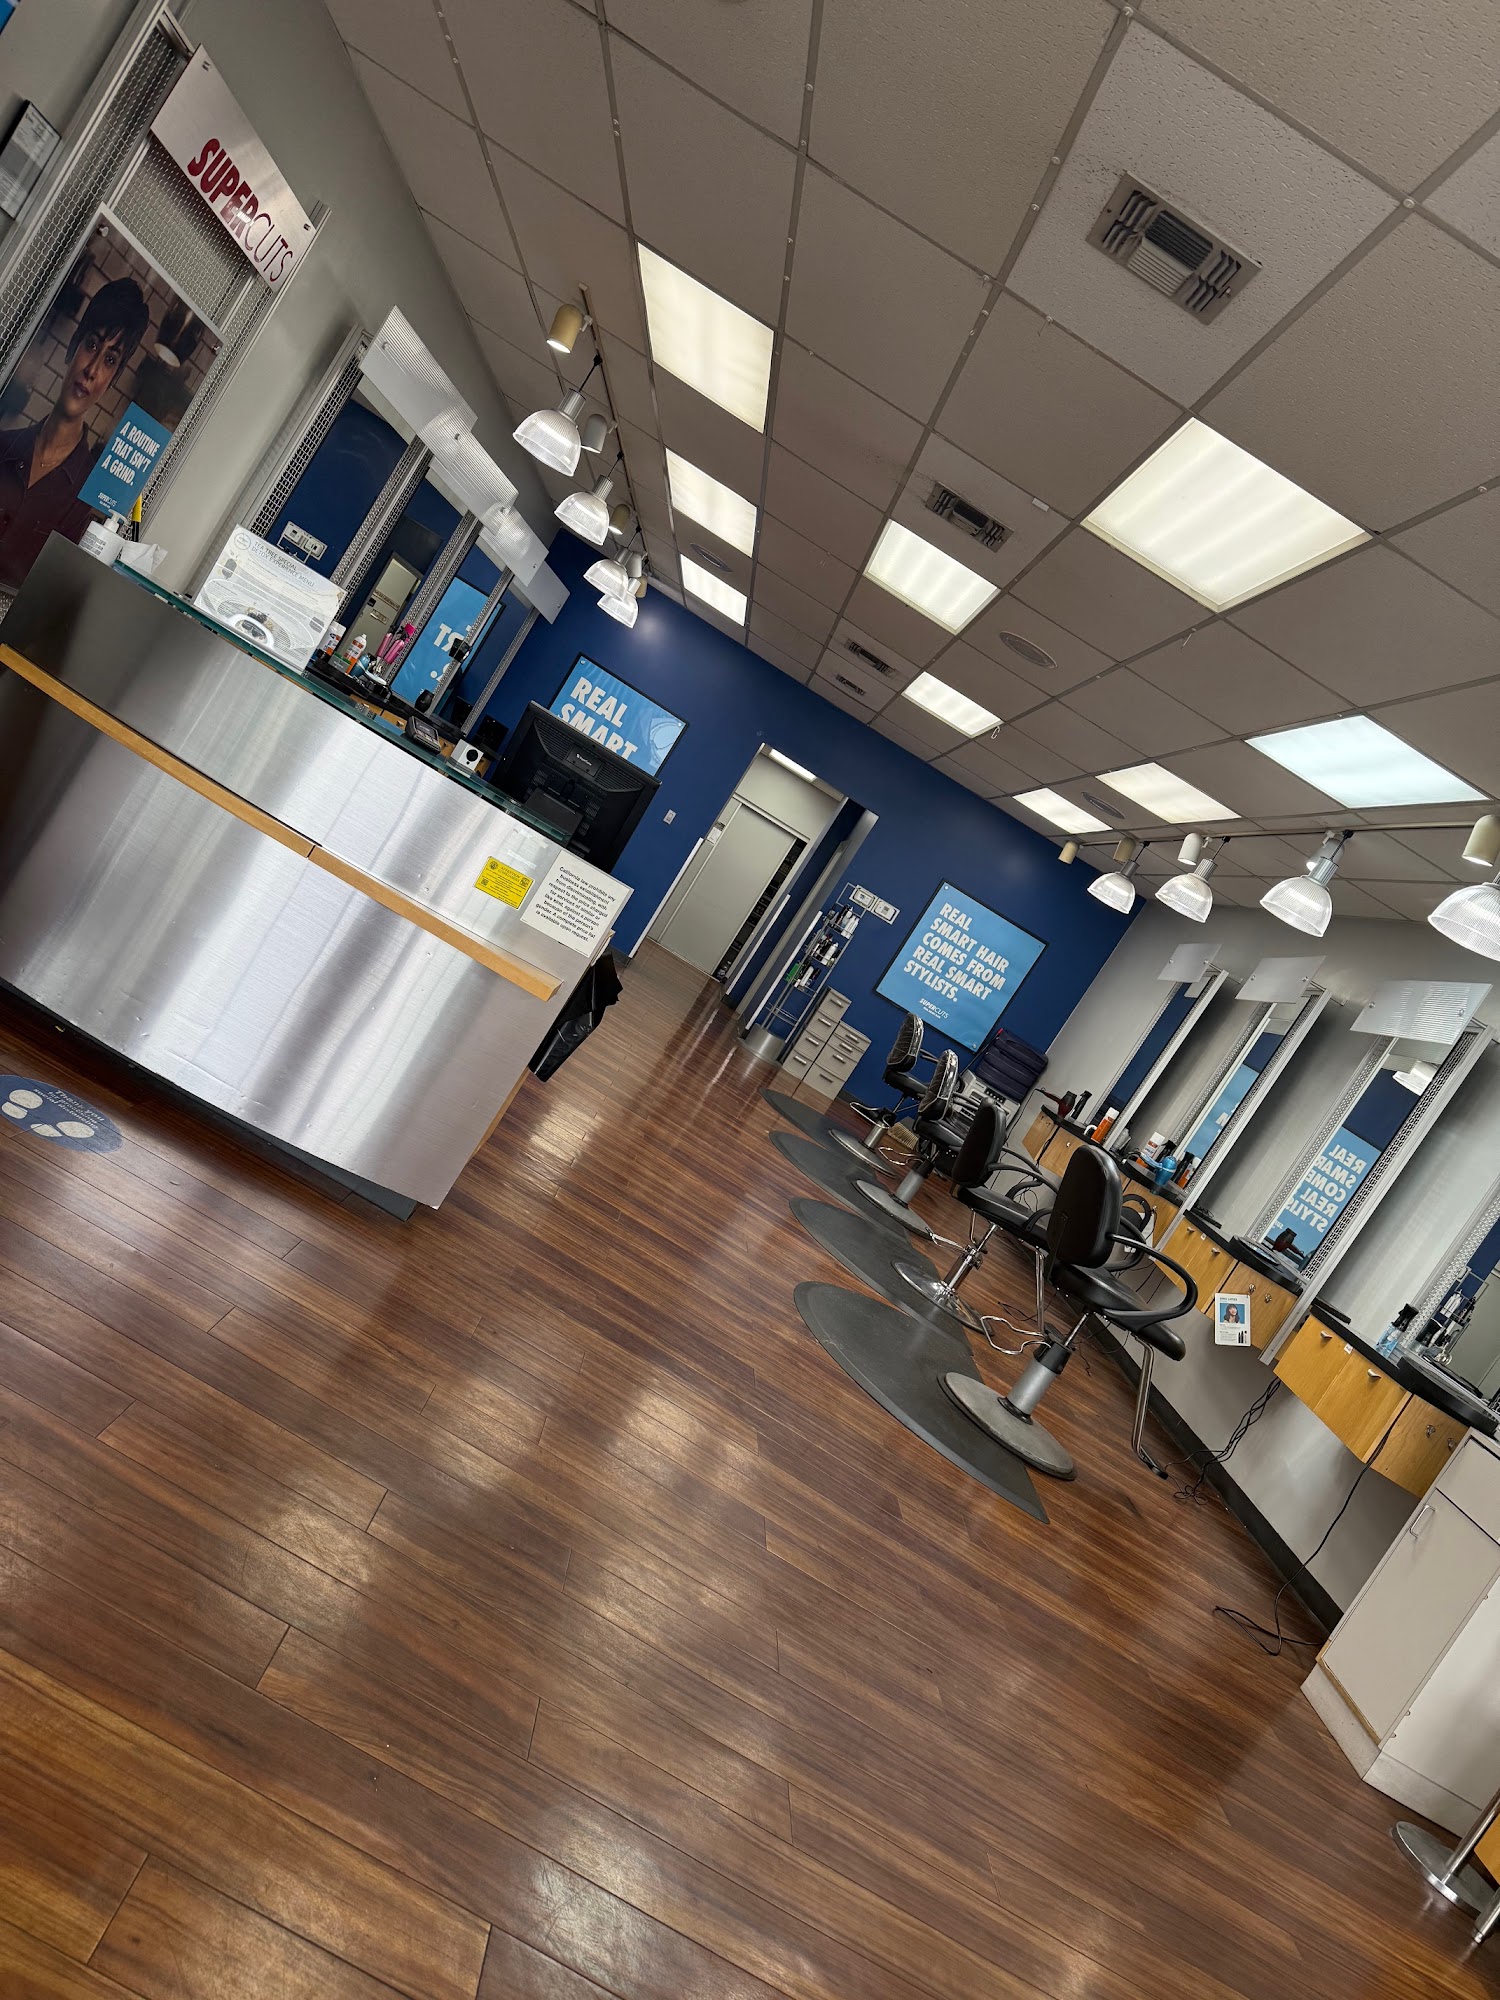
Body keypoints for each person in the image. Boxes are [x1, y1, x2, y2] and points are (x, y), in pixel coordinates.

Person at [0, 276, 151, 591]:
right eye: (92, 345)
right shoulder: (4, 446)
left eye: (110, 360)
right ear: (73, 347)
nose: (92, 370)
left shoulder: (87, 500)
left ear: (113, 379)